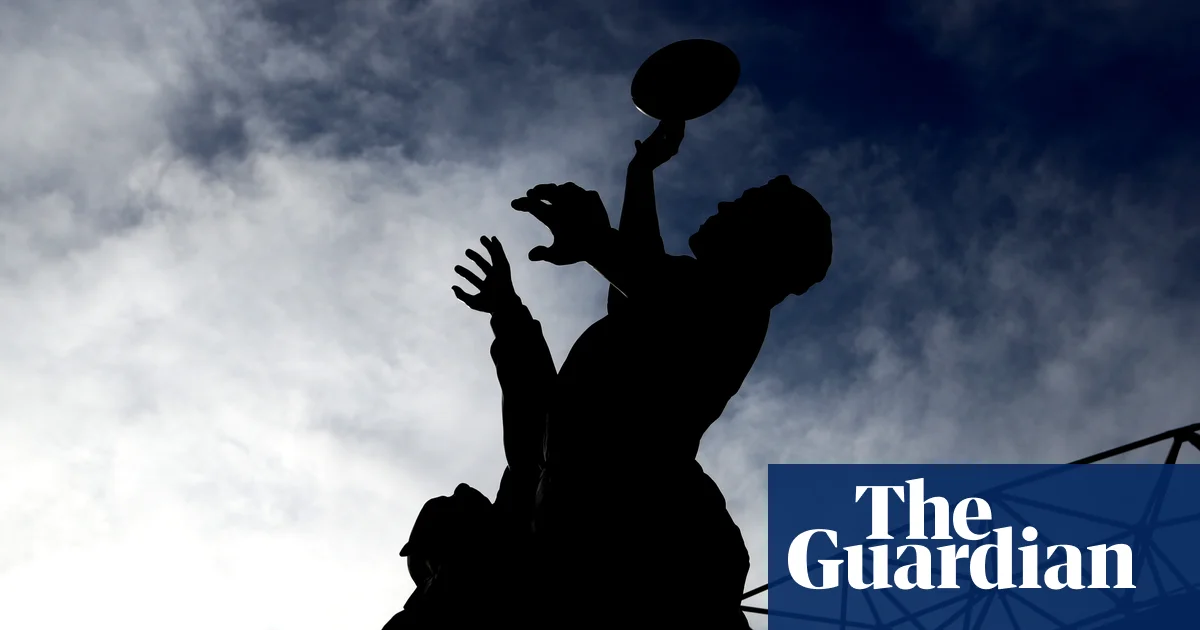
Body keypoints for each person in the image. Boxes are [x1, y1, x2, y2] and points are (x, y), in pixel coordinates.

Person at [509, 120, 833, 627]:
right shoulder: (700, 295)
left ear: (766, 246)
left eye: (744, 205)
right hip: (597, 522)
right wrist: (639, 176)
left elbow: (645, 278)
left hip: (640, 539)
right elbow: (638, 287)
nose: (724, 204)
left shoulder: (736, 306)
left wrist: (597, 240)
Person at [382, 236, 555, 629]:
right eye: (448, 504)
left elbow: (536, 420)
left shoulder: (523, 526)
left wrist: (506, 312)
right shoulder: (513, 551)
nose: (461, 487)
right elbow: (535, 424)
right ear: (435, 556)